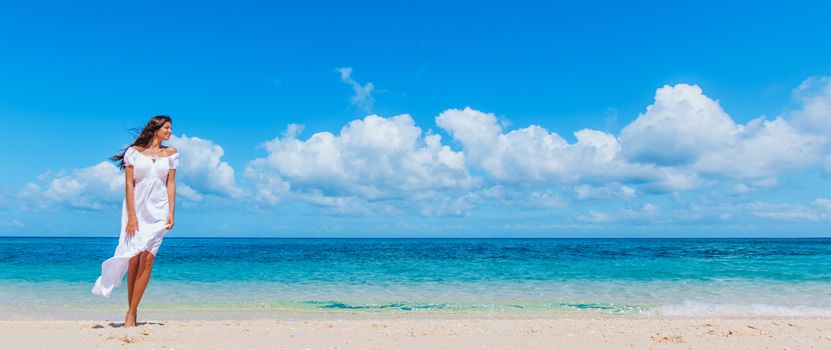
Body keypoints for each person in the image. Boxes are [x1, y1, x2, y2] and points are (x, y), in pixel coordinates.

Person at [92, 115, 179, 327]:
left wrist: (171, 212)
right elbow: (129, 185)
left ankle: (131, 313)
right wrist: (131, 215)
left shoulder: (171, 154)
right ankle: (133, 311)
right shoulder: (133, 153)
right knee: (134, 258)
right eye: (166, 128)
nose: (169, 131)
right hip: (136, 210)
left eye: (170, 128)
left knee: (148, 258)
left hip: (159, 210)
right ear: (155, 128)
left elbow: (170, 184)